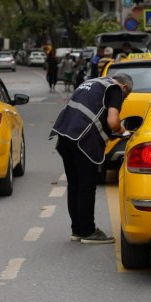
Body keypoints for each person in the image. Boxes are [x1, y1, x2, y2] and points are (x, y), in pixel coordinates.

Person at [49, 73, 134, 244]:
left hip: (64, 135)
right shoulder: (115, 88)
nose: (123, 99)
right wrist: (122, 130)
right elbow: (112, 121)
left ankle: (77, 230)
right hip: (82, 139)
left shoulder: (92, 82)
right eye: (127, 96)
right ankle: (88, 232)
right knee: (87, 185)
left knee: (75, 185)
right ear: (124, 87)